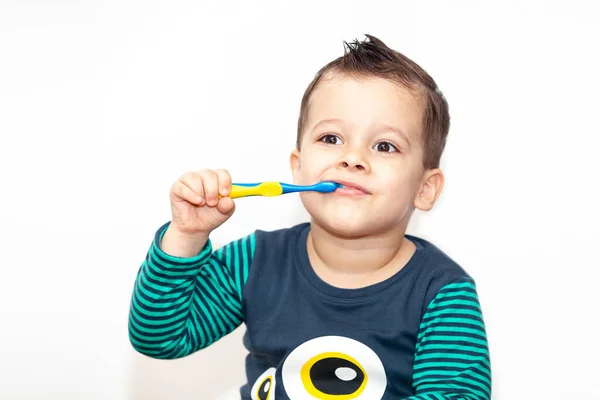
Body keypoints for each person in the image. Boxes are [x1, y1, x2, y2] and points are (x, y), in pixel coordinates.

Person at [128, 34, 492, 399]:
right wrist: (186, 235)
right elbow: (159, 338)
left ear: (425, 189)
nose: (351, 158)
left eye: (385, 146)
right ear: (298, 169)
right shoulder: (254, 262)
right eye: (331, 139)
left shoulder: (442, 292)